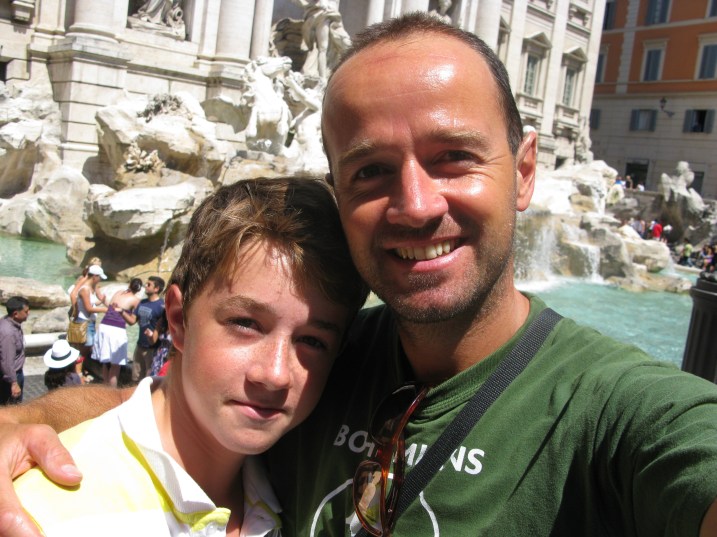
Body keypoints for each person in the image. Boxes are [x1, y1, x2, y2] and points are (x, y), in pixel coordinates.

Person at [2, 12, 717, 537]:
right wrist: (22, 420)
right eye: (371, 170)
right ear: (339, 191)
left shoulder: (615, 411)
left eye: (453, 158)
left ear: (524, 171)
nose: (415, 204)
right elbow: (173, 407)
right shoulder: (326, 359)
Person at [11, 177, 367, 536]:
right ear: (179, 319)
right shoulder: (48, 513)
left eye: (312, 341)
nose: (275, 374)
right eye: (245, 323)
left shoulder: (280, 488)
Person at [93, 278, 142, 388]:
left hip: (103, 326)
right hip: (116, 330)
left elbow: (111, 308)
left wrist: (102, 299)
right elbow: (132, 321)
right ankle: (112, 392)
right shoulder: (136, 300)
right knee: (116, 365)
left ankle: (105, 389)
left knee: (105, 362)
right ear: (139, 290)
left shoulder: (119, 292)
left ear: (129, 284)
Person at [72, 264, 109, 366]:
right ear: (94, 277)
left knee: (89, 346)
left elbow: (94, 302)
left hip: (90, 322)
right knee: (85, 346)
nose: (100, 280)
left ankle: (81, 368)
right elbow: (88, 308)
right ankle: (77, 369)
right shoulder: (85, 289)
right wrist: (104, 310)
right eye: (100, 277)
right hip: (84, 322)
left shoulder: (91, 288)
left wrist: (104, 302)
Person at [131, 276, 166, 382]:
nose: (145, 286)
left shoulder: (162, 306)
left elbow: (162, 328)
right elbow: (132, 321)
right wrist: (121, 312)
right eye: (146, 284)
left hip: (153, 349)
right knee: (135, 378)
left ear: (156, 289)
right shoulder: (142, 302)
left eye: (149, 284)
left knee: (149, 380)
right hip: (139, 346)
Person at [0, 297, 30, 405]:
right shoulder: (8, 333)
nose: (29, 313)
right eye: (26, 311)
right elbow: (7, 361)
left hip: (11, 376)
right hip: (11, 378)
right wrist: (13, 383)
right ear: (16, 314)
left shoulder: (7, 322)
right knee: (12, 408)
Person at [148, 309, 172, 376]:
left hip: (171, 354)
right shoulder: (162, 322)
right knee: (156, 374)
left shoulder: (178, 324)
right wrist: (149, 336)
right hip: (160, 354)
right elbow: (153, 341)